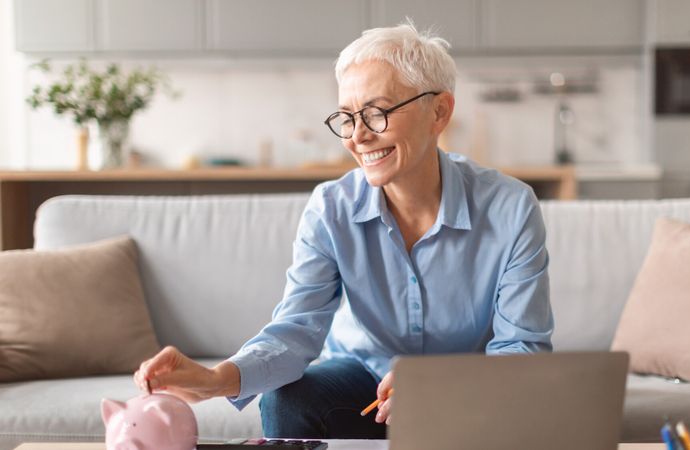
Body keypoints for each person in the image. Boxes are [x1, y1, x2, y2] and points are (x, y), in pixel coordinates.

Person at [133, 22, 553, 440]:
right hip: (364, 386)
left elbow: (523, 349)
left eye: (377, 112)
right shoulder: (331, 208)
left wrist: (440, 385)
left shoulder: (510, 207)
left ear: (439, 111)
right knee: (286, 399)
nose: (358, 136)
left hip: (469, 394)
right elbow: (296, 330)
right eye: (347, 118)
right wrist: (216, 379)